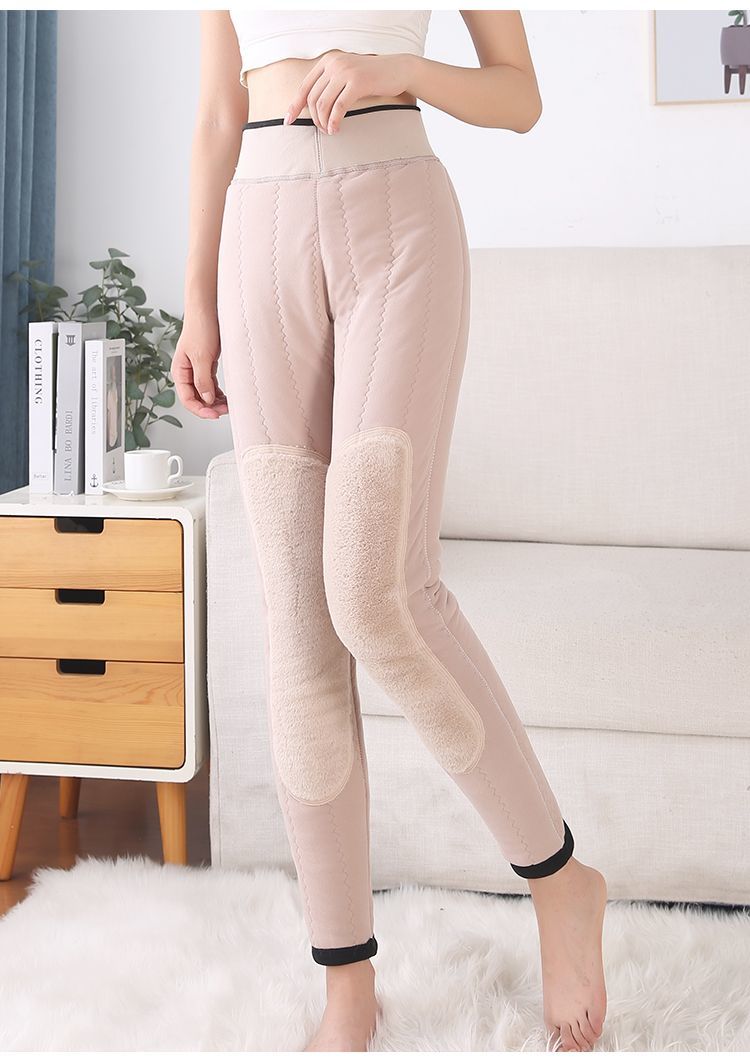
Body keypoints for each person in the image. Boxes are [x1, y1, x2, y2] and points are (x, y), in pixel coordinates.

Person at [173, 9, 608, 1053]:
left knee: (378, 593)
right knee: (298, 625)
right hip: (259, 233)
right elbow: (219, 110)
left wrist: (395, 69)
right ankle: (347, 981)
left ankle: (559, 878)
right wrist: (195, 297)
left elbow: (518, 96)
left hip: (400, 223)